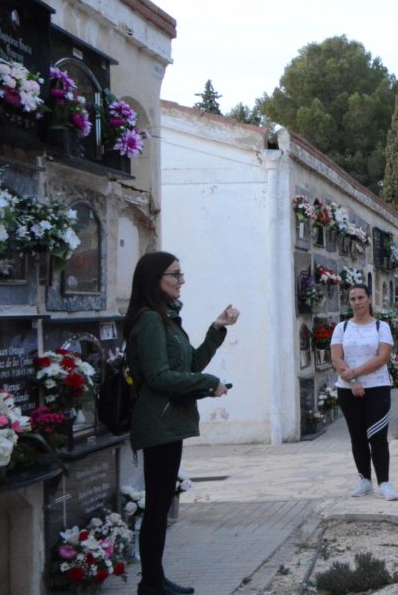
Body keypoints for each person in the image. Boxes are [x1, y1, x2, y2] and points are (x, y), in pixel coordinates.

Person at [123, 252, 236, 595]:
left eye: (181, 273)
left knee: (159, 506)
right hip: (158, 424)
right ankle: (152, 585)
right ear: (155, 278)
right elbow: (159, 376)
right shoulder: (150, 321)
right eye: (175, 274)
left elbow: (190, 366)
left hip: (169, 422)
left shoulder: (167, 319)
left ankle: (154, 580)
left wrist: (216, 330)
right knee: (157, 508)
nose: (181, 280)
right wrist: (206, 383)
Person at [331, 283, 397, 500]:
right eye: (353, 299)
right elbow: (336, 357)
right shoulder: (342, 328)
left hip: (377, 388)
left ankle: (384, 483)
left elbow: (382, 357)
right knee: (357, 436)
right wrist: (352, 381)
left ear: (369, 299)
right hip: (347, 390)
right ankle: (365, 480)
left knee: (377, 436)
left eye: (361, 297)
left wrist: (356, 373)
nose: (357, 302)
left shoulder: (381, 327)